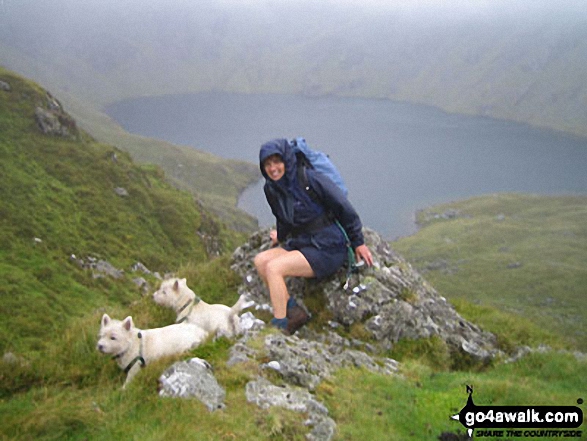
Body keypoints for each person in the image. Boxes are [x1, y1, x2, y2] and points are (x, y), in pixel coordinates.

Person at [254, 138, 373, 335]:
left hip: (328, 246)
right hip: (303, 242)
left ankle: (279, 328)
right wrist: (280, 236)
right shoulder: (272, 189)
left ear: (287, 161)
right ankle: (294, 311)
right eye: (267, 164)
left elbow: (343, 207)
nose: (273, 168)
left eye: (277, 162)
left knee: (274, 268)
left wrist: (358, 242)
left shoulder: (309, 179)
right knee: (261, 261)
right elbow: (282, 217)